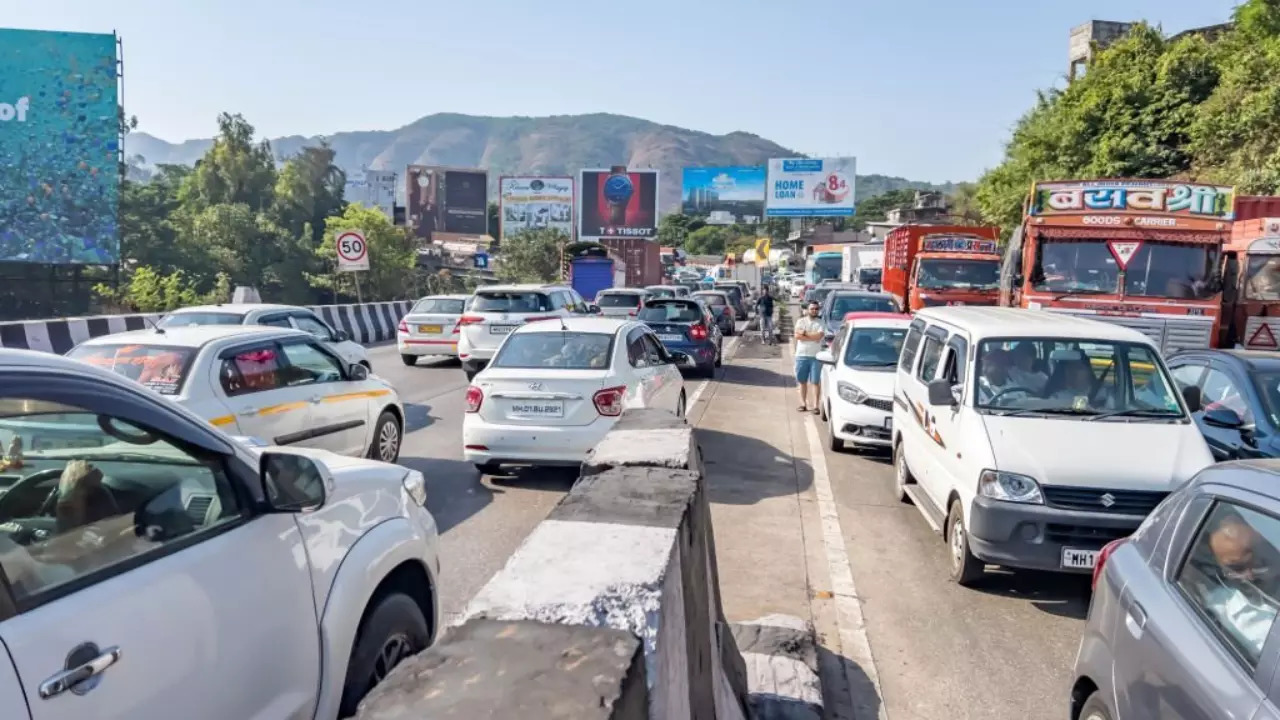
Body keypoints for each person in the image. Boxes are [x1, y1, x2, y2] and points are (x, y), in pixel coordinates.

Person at [1201, 513, 1280, 658]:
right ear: (1220, 566)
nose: (1250, 576)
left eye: (1259, 562)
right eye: (1236, 568)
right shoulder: (1221, 609)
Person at [794, 302, 825, 413]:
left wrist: (805, 334)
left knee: (815, 382)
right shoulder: (800, 321)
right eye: (812, 309)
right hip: (801, 355)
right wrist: (812, 337)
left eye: (816, 309)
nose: (814, 311)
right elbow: (797, 336)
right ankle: (803, 404)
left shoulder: (821, 323)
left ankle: (816, 406)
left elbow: (819, 336)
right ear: (807, 310)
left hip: (816, 357)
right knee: (802, 381)